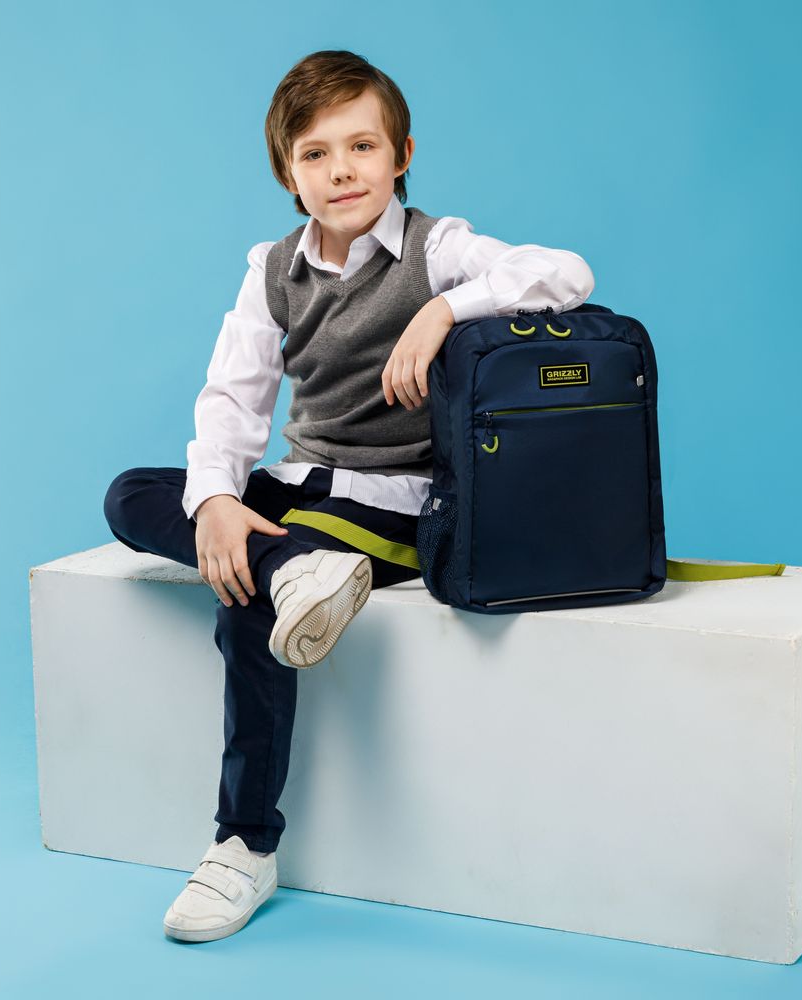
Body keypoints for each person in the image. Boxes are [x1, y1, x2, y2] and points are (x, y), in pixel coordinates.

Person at [103, 48, 595, 943]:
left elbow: (567, 274)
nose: (342, 171)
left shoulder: (437, 249)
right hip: (298, 492)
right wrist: (217, 502)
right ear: (287, 174)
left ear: (401, 155)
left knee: (242, 601)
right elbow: (232, 401)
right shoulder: (272, 268)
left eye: (362, 146)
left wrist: (446, 309)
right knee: (135, 493)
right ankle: (289, 564)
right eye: (316, 154)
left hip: (396, 501)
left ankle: (244, 845)